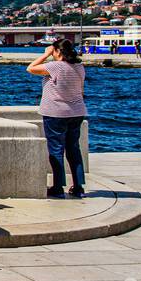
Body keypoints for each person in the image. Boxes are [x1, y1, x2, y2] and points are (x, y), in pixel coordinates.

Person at [28, 38, 88, 198]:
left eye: (54, 51)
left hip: (55, 113)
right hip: (77, 112)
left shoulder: (55, 66)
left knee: (56, 150)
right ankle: (78, 186)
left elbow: (31, 68)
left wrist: (45, 54)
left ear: (58, 51)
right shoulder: (79, 67)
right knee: (74, 149)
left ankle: (58, 186)